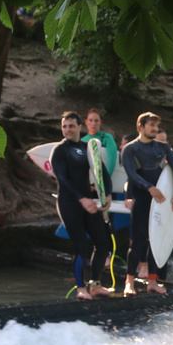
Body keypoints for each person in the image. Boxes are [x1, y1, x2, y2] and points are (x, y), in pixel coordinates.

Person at [120, 111, 173, 295]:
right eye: (151, 126)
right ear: (140, 127)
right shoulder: (131, 149)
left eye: (156, 126)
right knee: (139, 241)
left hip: (161, 200)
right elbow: (131, 174)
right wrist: (149, 187)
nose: (155, 129)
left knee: (157, 240)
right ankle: (129, 282)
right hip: (142, 198)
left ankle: (153, 281)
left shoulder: (162, 147)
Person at [52, 111, 114, 299]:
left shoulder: (88, 147)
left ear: (80, 127)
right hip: (69, 202)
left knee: (103, 243)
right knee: (80, 246)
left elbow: (102, 172)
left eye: (71, 126)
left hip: (89, 201)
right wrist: (82, 199)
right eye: (64, 126)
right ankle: (81, 289)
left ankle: (95, 285)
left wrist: (108, 194)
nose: (67, 130)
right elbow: (62, 179)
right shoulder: (60, 150)